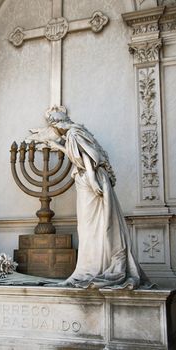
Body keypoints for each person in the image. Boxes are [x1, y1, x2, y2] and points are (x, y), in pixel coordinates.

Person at [44, 109, 147, 289]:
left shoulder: (73, 135)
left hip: (89, 181)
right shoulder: (79, 131)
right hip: (93, 178)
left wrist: (92, 180)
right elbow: (80, 155)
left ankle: (90, 269)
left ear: (55, 125)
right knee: (96, 226)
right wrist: (59, 147)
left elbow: (86, 159)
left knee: (90, 227)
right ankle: (94, 265)